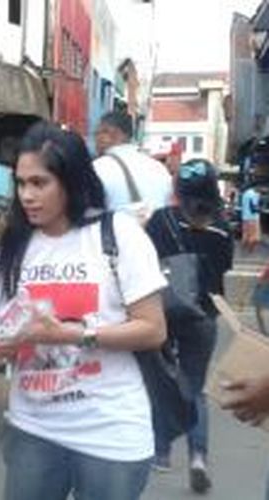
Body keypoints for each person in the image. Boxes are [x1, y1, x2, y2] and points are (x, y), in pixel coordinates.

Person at [0, 121, 166, 500]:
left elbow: (153, 330)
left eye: (39, 183)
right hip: (33, 429)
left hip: (110, 432)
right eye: (21, 184)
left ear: (69, 181)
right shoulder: (16, 245)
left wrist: (70, 334)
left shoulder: (117, 233)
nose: (27, 195)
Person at [144, 159, 233, 493]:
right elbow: (222, 270)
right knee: (195, 386)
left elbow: (145, 261)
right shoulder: (222, 228)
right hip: (204, 315)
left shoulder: (161, 220)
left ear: (178, 189)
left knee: (162, 379)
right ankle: (197, 457)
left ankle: (161, 452)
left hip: (163, 311)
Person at [93, 111, 173, 224]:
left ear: (113, 133)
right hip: (154, 238)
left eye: (97, 133)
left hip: (116, 239)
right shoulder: (159, 168)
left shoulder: (99, 167)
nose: (95, 140)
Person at [241, 182, 261, 252]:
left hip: (244, 217)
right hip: (253, 218)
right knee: (253, 236)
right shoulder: (254, 194)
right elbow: (254, 208)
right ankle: (250, 251)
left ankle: (243, 250)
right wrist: (260, 209)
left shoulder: (244, 194)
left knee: (245, 234)